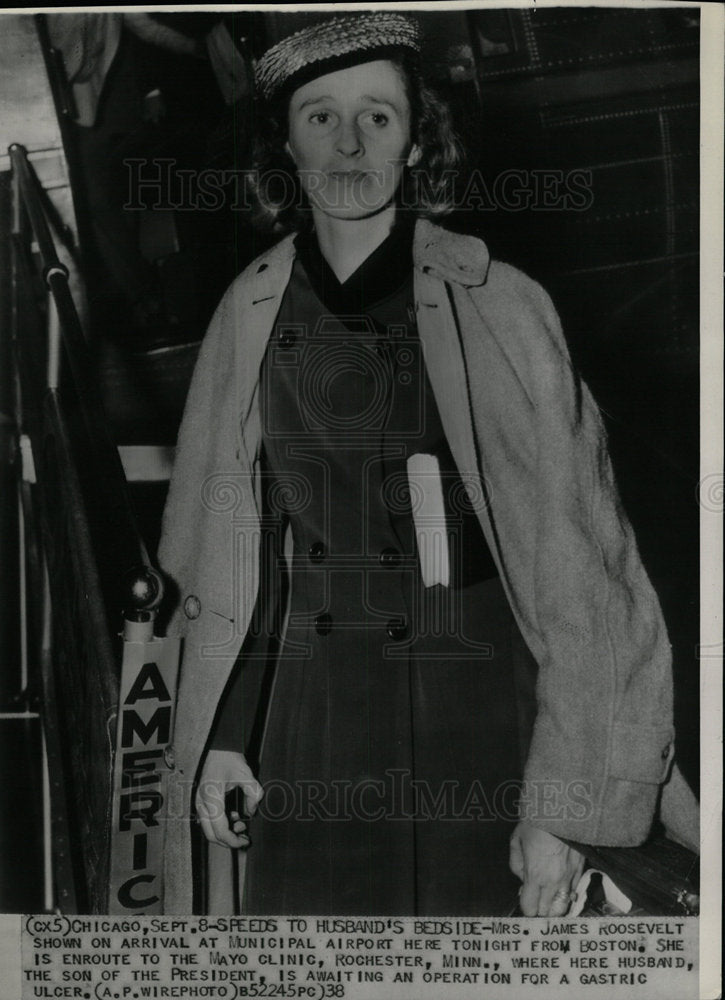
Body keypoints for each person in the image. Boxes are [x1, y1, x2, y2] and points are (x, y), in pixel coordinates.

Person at [157, 12, 688, 917]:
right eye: (319, 116)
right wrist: (227, 729)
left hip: (479, 701)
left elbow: (585, 573)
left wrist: (561, 809)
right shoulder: (245, 313)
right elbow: (224, 551)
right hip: (315, 714)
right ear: (283, 144)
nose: (351, 141)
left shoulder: (499, 304)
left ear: (416, 143)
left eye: (379, 115)